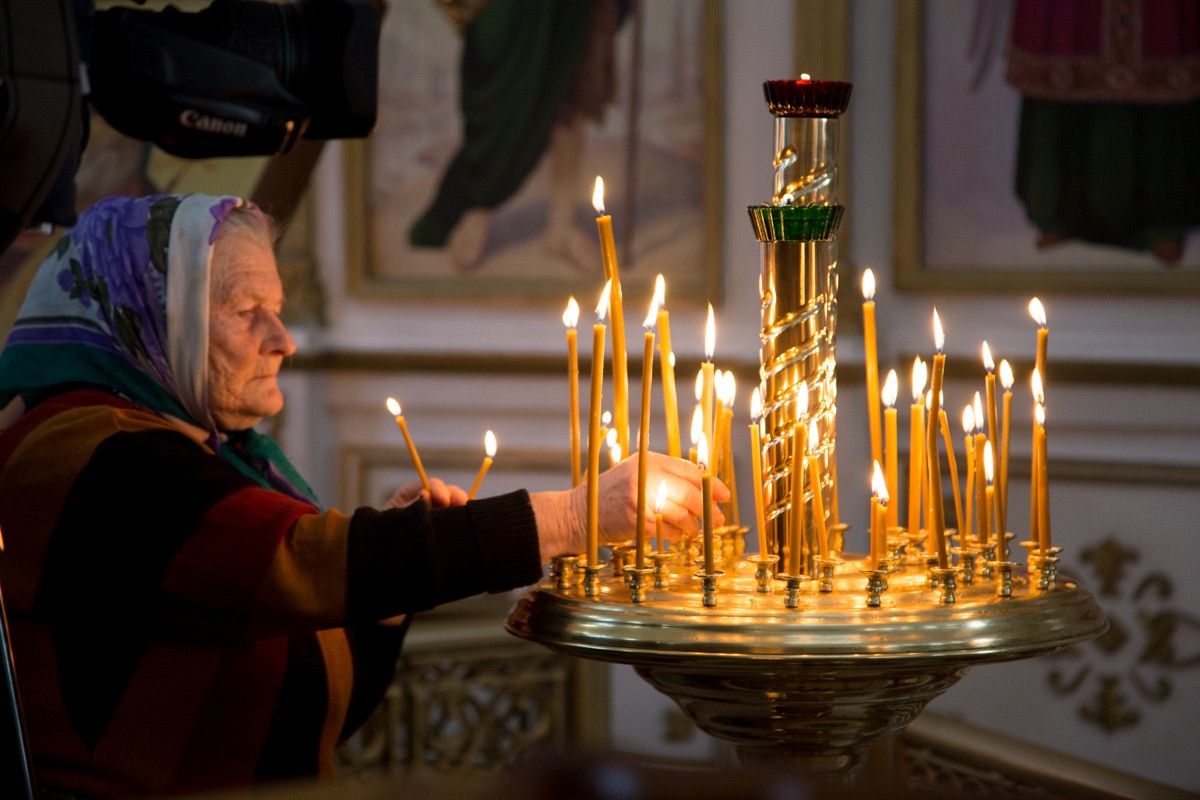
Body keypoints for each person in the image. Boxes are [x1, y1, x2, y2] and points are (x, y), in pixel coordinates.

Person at [0, 193, 727, 799]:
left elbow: (313, 699)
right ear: (146, 313)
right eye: (243, 309)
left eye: (277, 307)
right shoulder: (84, 451)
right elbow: (289, 561)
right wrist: (575, 516)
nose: (283, 338)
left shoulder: (210, 453)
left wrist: (392, 581)